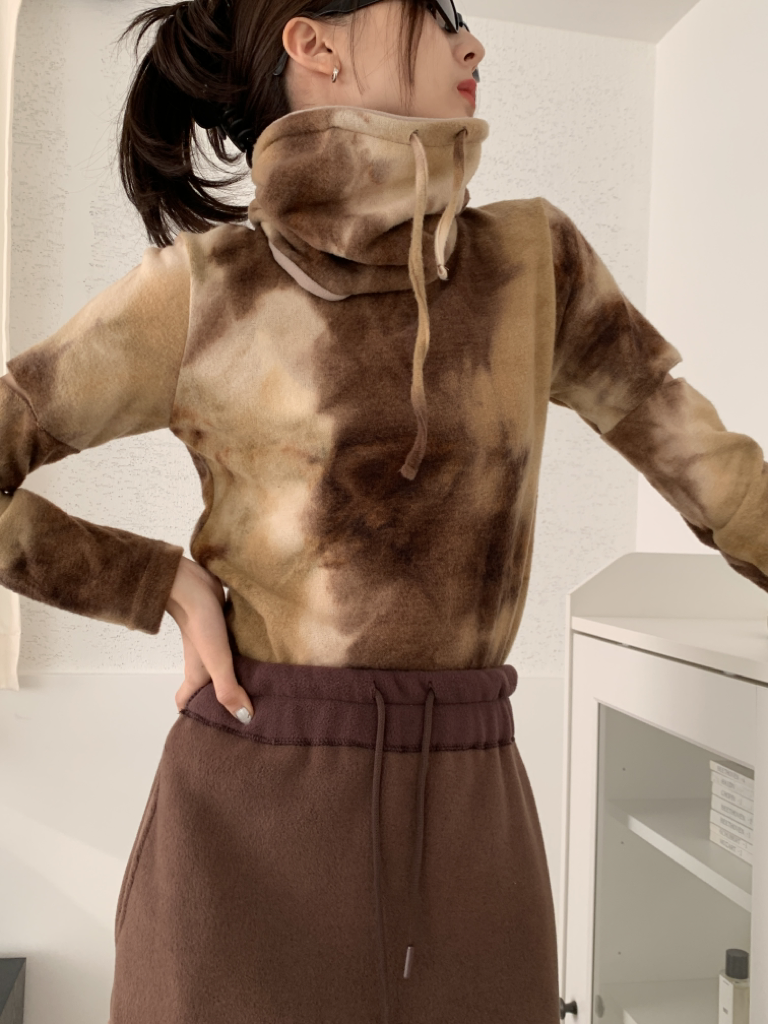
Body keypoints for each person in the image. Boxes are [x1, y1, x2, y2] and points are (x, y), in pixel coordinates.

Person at [1, 0, 766, 1021]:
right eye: (434, 13)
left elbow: (707, 465)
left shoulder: (535, 263)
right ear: (313, 43)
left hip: (472, 825)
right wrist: (161, 583)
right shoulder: (207, 289)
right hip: (247, 823)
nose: (472, 41)